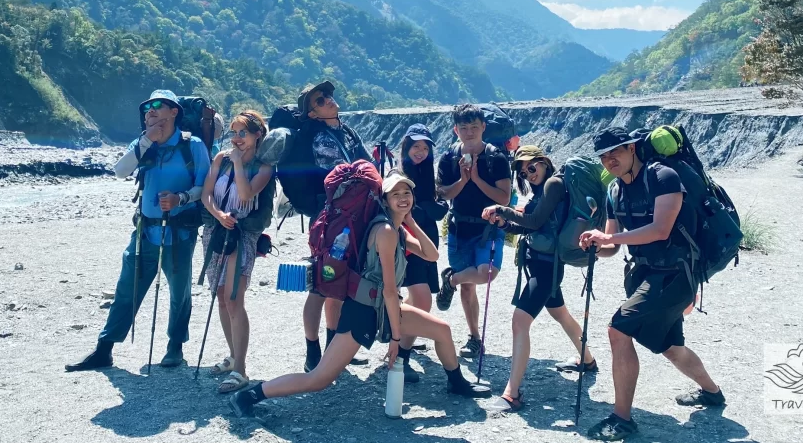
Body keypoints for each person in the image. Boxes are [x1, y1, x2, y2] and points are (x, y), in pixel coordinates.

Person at [229, 172, 491, 418]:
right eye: (395, 194)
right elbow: (390, 290)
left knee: (442, 331)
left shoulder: (397, 229)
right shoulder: (386, 233)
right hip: (364, 311)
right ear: (384, 200)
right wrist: (396, 339)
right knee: (319, 379)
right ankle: (251, 395)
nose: (403, 198)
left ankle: (456, 383)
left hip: (382, 307)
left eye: (407, 193)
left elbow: (432, 255)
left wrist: (410, 221)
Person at [579, 127, 725, 442]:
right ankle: (713, 393)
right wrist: (596, 243)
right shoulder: (614, 191)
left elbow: (661, 229)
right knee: (671, 348)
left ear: (632, 148)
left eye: (615, 152)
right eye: (604, 156)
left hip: (676, 274)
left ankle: (622, 419)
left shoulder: (663, 177)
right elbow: (612, 246)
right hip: (645, 275)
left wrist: (610, 237)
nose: (609, 160)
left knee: (618, 329)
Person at [66, 90, 211, 372]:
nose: (150, 111)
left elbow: (204, 188)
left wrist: (181, 198)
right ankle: (104, 349)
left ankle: (175, 347)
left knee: (179, 292)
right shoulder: (143, 143)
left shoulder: (192, 146)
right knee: (127, 288)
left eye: (158, 106)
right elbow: (120, 171)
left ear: (174, 112)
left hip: (179, 232)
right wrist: (146, 141)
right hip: (145, 231)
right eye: (146, 108)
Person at [480, 145, 597, 412]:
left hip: (546, 267)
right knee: (561, 314)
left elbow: (533, 222)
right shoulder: (541, 189)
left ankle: (512, 393)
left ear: (544, 162)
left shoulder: (553, 184)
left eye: (531, 167)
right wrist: (504, 223)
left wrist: (503, 208)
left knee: (520, 321)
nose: (528, 173)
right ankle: (587, 360)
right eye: (523, 171)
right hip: (542, 263)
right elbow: (533, 225)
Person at [294, 80, 372, 372]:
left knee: (339, 283)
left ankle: (332, 349)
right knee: (321, 285)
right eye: (320, 100)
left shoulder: (345, 131)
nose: (328, 100)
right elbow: (350, 174)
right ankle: (313, 351)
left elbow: (366, 166)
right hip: (331, 221)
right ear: (312, 114)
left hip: (351, 217)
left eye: (328, 96)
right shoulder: (321, 140)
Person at [200, 110, 275, 394]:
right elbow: (207, 194)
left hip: (243, 235)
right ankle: (232, 357)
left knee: (234, 298)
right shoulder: (220, 158)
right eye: (234, 132)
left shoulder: (264, 166)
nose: (237, 139)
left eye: (243, 133)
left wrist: (239, 165)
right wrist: (218, 215)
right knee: (220, 296)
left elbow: (245, 195)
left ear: (258, 135)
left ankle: (241, 370)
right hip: (216, 232)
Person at [435, 104, 512, 358]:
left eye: (474, 127)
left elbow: (504, 197)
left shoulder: (496, 158)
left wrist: (477, 180)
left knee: (486, 273)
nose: (469, 132)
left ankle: (451, 280)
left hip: (489, 228)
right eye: (464, 128)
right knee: (469, 287)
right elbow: (443, 193)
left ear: (483, 128)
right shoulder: (448, 157)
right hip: (459, 227)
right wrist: (463, 180)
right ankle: (474, 338)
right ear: (456, 129)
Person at [395, 123, 448, 383]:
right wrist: (428, 209)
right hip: (408, 243)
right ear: (406, 145)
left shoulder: (427, 173)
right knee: (423, 299)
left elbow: (435, 207)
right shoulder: (398, 173)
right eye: (416, 146)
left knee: (418, 299)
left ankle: (402, 336)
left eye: (425, 147)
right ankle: (399, 357)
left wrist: (430, 207)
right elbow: (402, 209)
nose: (421, 151)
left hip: (426, 240)